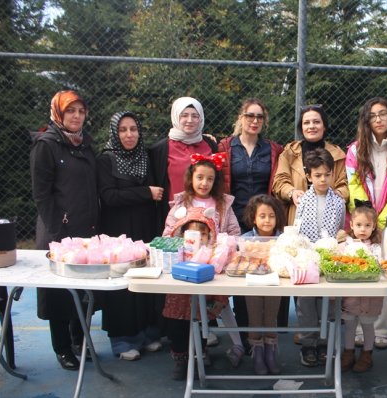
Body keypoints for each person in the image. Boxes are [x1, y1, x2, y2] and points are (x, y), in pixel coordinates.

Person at [30, 90, 98, 371]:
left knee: (83, 291)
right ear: (59, 113)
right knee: (58, 293)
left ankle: (80, 340)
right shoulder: (46, 145)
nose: (76, 116)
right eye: (71, 111)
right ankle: (62, 348)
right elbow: (41, 194)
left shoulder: (85, 144)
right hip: (58, 234)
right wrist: (58, 228)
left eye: (81, 111)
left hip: (87, 231)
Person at [161, 154, 242, 380]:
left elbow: (235, 233)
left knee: (204, 314)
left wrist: (221, 245)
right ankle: (180, 357)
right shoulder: (181, 203)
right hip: (182, 271)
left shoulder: (223, 204)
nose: (204, 183)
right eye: (200, 177)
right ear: (191, 178)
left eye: (209, 179)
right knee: (178, 316)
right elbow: (167, 233)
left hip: (209, 271)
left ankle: (200, 352)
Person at [218, 98, 287, 345]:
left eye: (259, 117)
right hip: (237, 221)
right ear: (241, 118)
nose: (255, 121)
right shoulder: (226, 147)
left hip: (265, 221)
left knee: (270, 273)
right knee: (241, 275)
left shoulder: (273, 149)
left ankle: (270, 335)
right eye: (250, 116)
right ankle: (248, 336)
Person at [97, 111, 164, 361]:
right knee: (122, 283)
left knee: (146, 278)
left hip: (145, 229)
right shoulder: (106, 160)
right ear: (115, 132)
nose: (129, 134)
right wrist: (145, 192)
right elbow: (109, 197)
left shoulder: (145, 157)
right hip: (118, 233)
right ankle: (123, 339)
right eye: (123, 130)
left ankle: (147, 333)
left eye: (133, 129)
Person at [346, 97, 387, 349]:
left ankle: (381, 330)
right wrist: (365, 217)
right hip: (363, 221)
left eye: (383, 114)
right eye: (373, 115)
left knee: (385, 274)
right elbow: (353, 184)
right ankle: (360, 329)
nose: (378, 119)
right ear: (367, 120)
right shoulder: (354, 150)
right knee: (361, 270)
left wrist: (382, 221)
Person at [294, 148, 346, 367]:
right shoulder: (303, 201)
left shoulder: (339, 202)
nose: (323, 179)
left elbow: (341, 228)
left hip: (330, 258)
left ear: (333, 174)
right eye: (317, 175)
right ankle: (308, 344)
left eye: (327, 174)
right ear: (309, 176)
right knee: (307, 304)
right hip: (307, 259)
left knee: (329, 302)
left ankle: (326, 342)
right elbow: (298, 229)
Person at [149, 96, 218, 234]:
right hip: (174, 216)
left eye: (195, 116)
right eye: (184, 115)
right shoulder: (160, 149)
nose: (190, 120)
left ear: (201, 119)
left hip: (207, 215)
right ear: (175, 117)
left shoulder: (211, 145)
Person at [272, 104, 348, 225]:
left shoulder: (338, 155)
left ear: (324, 126)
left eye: (316, 122)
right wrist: (292, 192)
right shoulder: (289, 153)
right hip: (297, 216)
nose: (311, 126)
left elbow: (345, 184)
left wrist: (337, 194)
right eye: (306, 122)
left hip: (330, 217)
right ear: (301, 127)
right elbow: (279, 182)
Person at [241, 194, 288, 375]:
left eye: (271, 215)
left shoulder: (283, 240)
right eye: (262, 216)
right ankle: (257, 353)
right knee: (254, 318)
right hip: (251, 284)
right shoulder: (245, 239)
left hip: (274, 284)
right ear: (254, 218)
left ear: (277, 218)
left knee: (270, 317)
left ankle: (271, 352)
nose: (267, 220)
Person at [341, 204, 383, 373]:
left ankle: (367, 354)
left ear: (374, 227)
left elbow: (378, 265)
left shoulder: (376, 247)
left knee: (367, 324)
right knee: (349, 324)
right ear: (351, 225)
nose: (363, 229)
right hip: (351, 294)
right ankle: (348, 353)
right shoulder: (345, 245)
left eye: (367, 225)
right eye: (358, 225)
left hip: (369, 295)